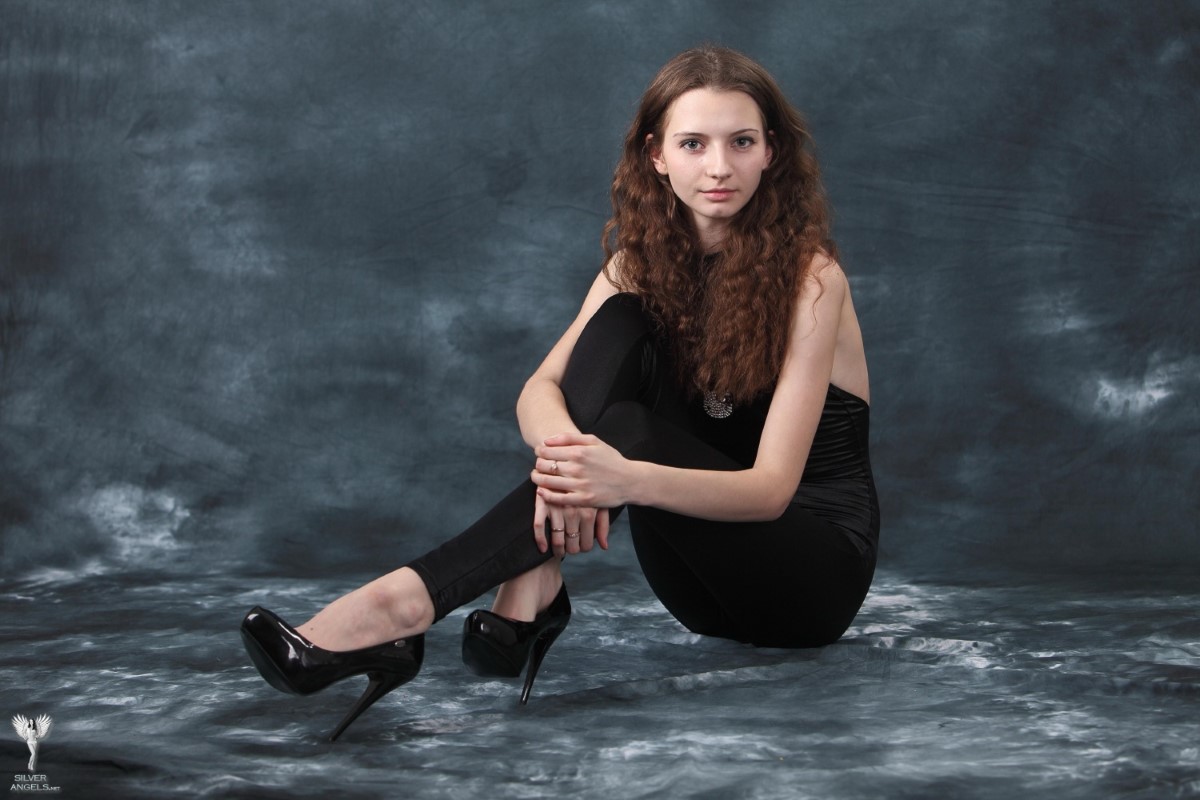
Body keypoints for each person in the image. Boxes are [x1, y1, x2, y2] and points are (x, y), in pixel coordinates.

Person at [240, 45, 879, 742]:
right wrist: (572, 468)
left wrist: (621, 477)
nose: (719, 167)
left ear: (771, 152)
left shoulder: (812, 278)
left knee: (627, 432)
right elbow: (537, 392)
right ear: (657, 156)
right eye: (693, 143)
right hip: (696, 587)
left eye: (742, 142)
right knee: (622, 325)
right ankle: (536, 574)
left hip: (808, 583)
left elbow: (770, 491)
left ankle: (407, 602)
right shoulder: (637, 264)